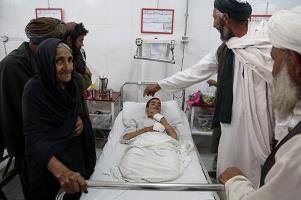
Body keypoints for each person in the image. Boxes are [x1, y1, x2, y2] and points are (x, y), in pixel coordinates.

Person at [144, 0, 274, 186]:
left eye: (215, 18)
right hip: (230, 123)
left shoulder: (265, 44)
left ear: (226, 18)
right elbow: (195, 72)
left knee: (256, 172)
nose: (213, 24)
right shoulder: (225, 49)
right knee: (229, 167)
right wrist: (160, 84)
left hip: (259, 124)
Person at [218, 6, 301, 200]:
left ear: (295, 64)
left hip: (259, 127)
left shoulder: (296, 151)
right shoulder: (226, 49)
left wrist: (235, 182)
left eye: (275, 61)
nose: (272, 72)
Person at [0, 17, 66, 200]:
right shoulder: (12, 66)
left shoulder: (44, 60)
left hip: (49, 142)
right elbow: (15, 118)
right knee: (37, 192)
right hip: (29, 148)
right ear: (42, 43)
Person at [22, 38, 96, 200]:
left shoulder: (72, 87)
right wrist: (61, 171)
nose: (68, 67)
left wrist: (81, 122)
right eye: (59, 61)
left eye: (69, 60)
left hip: (74, 156)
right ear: (46, 63)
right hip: (51, 167)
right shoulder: (34, 90)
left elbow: (76, 114)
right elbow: (34, 139)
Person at [64, 22, 92, 116]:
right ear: (69, 40)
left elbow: (88, 82)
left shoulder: (77, 53)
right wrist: (84, 73)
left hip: (79, 105)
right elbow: (81, 83)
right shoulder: (65, 59)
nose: (82, 44)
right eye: (80, 40)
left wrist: (83, 73)